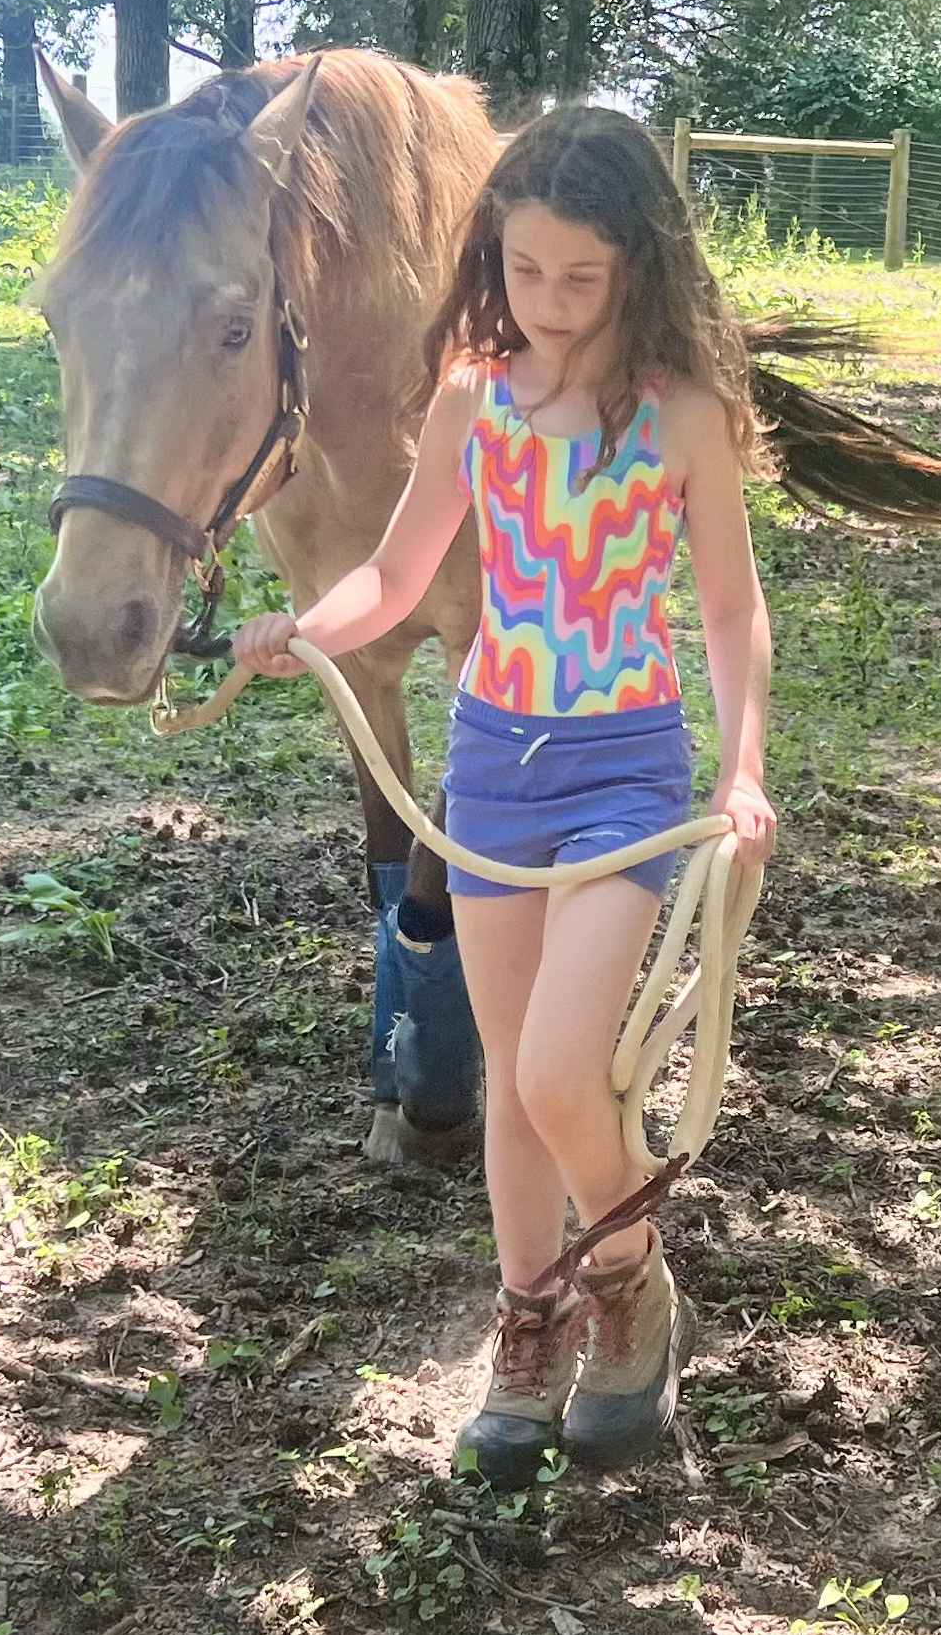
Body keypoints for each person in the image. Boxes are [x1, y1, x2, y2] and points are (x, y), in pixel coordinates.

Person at [233, 106, 776, 1486]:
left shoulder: (684, 413)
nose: (550, 304)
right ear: (495, 262)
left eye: (582, 279)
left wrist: (744, 759)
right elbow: (400, 575)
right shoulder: (474, 391)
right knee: (519, 1102)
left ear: (641, 266)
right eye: (526, 272)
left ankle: (631, 1281)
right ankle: (528, 1324)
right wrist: (301, 627)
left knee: (551, 1063)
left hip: (625, 774)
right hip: (493, 765)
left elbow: (728, 607)